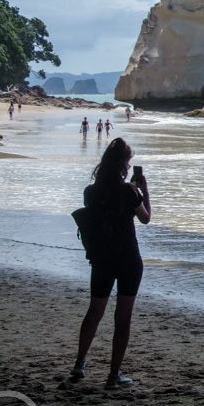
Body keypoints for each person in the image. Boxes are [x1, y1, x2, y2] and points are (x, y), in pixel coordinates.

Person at [70, 137, 152, 389]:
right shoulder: (129, 191)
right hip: (127, 258)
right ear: (124, 165)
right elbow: (146, 218)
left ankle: (79, 364)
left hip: (102, 257)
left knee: (94, 311)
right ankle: (113, 376)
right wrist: (144, 189)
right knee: (122, 317)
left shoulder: (91, 191)